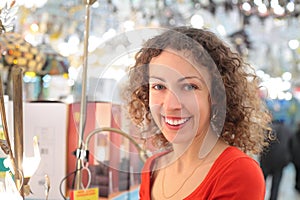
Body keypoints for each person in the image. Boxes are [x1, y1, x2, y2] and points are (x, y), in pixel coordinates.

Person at [124, 26, 272, 200]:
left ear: (216, 94)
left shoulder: (237, 172)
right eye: (159, 87)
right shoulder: (153, 167)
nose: (171, 105)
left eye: (189, 86)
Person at [260, 119, 292, 200]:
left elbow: (262, 144)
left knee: (261, 182)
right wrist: (287, 160)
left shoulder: (269, 128)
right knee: (276, 186)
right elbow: (291, 147)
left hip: (266, 160)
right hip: (280, 162)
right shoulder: (288, 130)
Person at [289, 122, 300, 193]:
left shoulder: (295, 134)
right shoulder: (294, 134)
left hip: (296, 157)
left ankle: (297, 184)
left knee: (297, 171)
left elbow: (291, 145)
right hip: (296, 156)